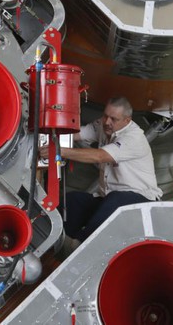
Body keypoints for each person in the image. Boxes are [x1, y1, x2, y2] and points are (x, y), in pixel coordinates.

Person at [40, 96, 161, 244]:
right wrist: (47, 137)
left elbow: (100, 156)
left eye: (113, 119)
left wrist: (59, 151)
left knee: (116, 199)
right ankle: (56, 242)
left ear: (127, 121)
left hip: (139, 200)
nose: (107, 122)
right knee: (72, 201)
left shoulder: (134, 138)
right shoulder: (103, 125)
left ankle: (81, 246)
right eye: (105, 116)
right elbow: (78, 134)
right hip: (109, 198)